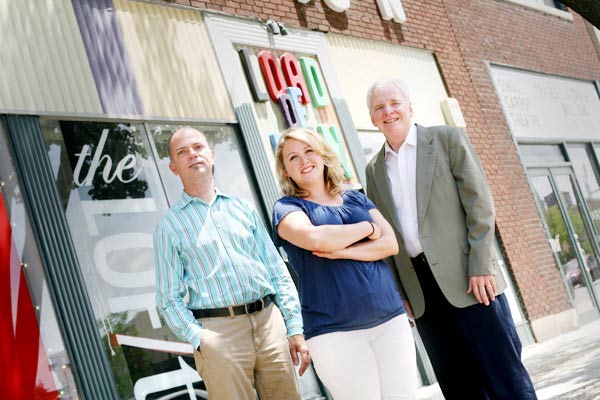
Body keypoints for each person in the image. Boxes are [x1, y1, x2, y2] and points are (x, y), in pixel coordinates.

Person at [364, 78, 538, 399]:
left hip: (470, 278)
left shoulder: (446, 140)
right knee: (458, 386)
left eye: (394, 103)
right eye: (379, 108)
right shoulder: (373, 170)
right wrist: (399, 292)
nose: (388, 112)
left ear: (410, 106)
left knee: (505, 378)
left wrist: (481, 265)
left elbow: (480, 206)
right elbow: (385, 236)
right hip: (422, 294)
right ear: (372, 119)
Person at [154, 127, 310, 400]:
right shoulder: (169, 227)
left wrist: (294, 327)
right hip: (218, 332)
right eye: (183, 152)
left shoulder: (243, 208)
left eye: (198, 147)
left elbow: (277, 271)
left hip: (269, 322)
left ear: (212, 155)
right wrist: (200, 339)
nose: (193, 155)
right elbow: (168, 298)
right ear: (173, 167)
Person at [272, 127, 419, 400]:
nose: (303, 160)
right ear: (285, 171)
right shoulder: (287, 209)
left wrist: (345, 251)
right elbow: (318, 239)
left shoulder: (356, 197)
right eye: (293, 158)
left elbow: (390, 244)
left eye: (308, 151)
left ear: (323, 154)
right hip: (334, 331)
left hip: (390, 318)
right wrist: (368, 229)